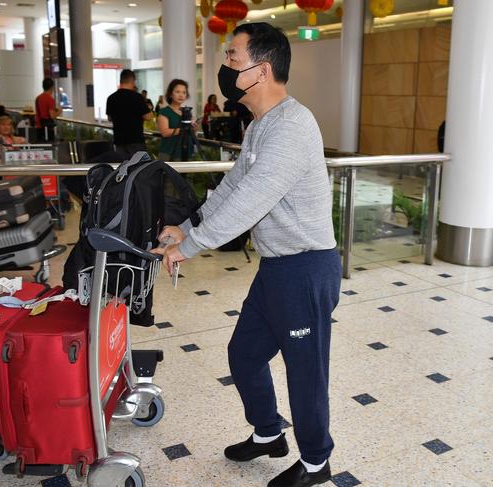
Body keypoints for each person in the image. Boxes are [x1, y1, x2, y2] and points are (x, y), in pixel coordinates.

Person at [153, 23, 341, 487]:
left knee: (305, 373)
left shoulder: (293, 126)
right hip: (277, 266)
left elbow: (251, 200)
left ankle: (316, 462)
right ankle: (268, 433)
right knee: (245, 354)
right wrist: (187, 226)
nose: (226, 66)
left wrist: (190, 248)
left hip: (306, 267)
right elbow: (233, 186)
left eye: (234, 58)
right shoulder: (262, 125)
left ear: (264, 68)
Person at [105, 69, 152, 158]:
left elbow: (109, 118)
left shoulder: (111, 98)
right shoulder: (137, 97)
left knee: (123, 168)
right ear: (133, 81)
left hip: (119, 141)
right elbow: (148, 117)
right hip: (136, 141)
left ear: (121, 80)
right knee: (138, 169)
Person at [157, 79, 194, 161]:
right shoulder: (164, 112)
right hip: (169, 153)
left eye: (184, 92)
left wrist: (194, 126)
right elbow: (165, 133)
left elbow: (191, 133)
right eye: (177, 92)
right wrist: (183, 129)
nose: (181, 95)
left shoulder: (186, 113)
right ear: (170, 94)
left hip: (186, 152)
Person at [35, 77, 61, 142]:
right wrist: (59, 111)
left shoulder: (38, 98)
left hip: (39, 126)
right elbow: (52, 116)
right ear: (52, 87)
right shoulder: (50, 99)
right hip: (47, 129)